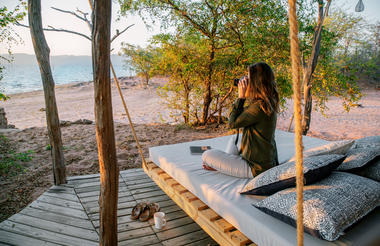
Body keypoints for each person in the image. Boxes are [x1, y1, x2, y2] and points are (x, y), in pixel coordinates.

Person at [202, 62, 279, 178]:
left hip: (255, 168)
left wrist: (241, 97)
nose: (245, 80)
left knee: (207, 154)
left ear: (256, 82)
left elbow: (232, 123)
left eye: (248, 77)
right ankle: (225, 166)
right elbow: (241, 118)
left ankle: (224, 166)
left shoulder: (259, 107)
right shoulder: (266, 101)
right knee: (235, 139)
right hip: (265, 161)